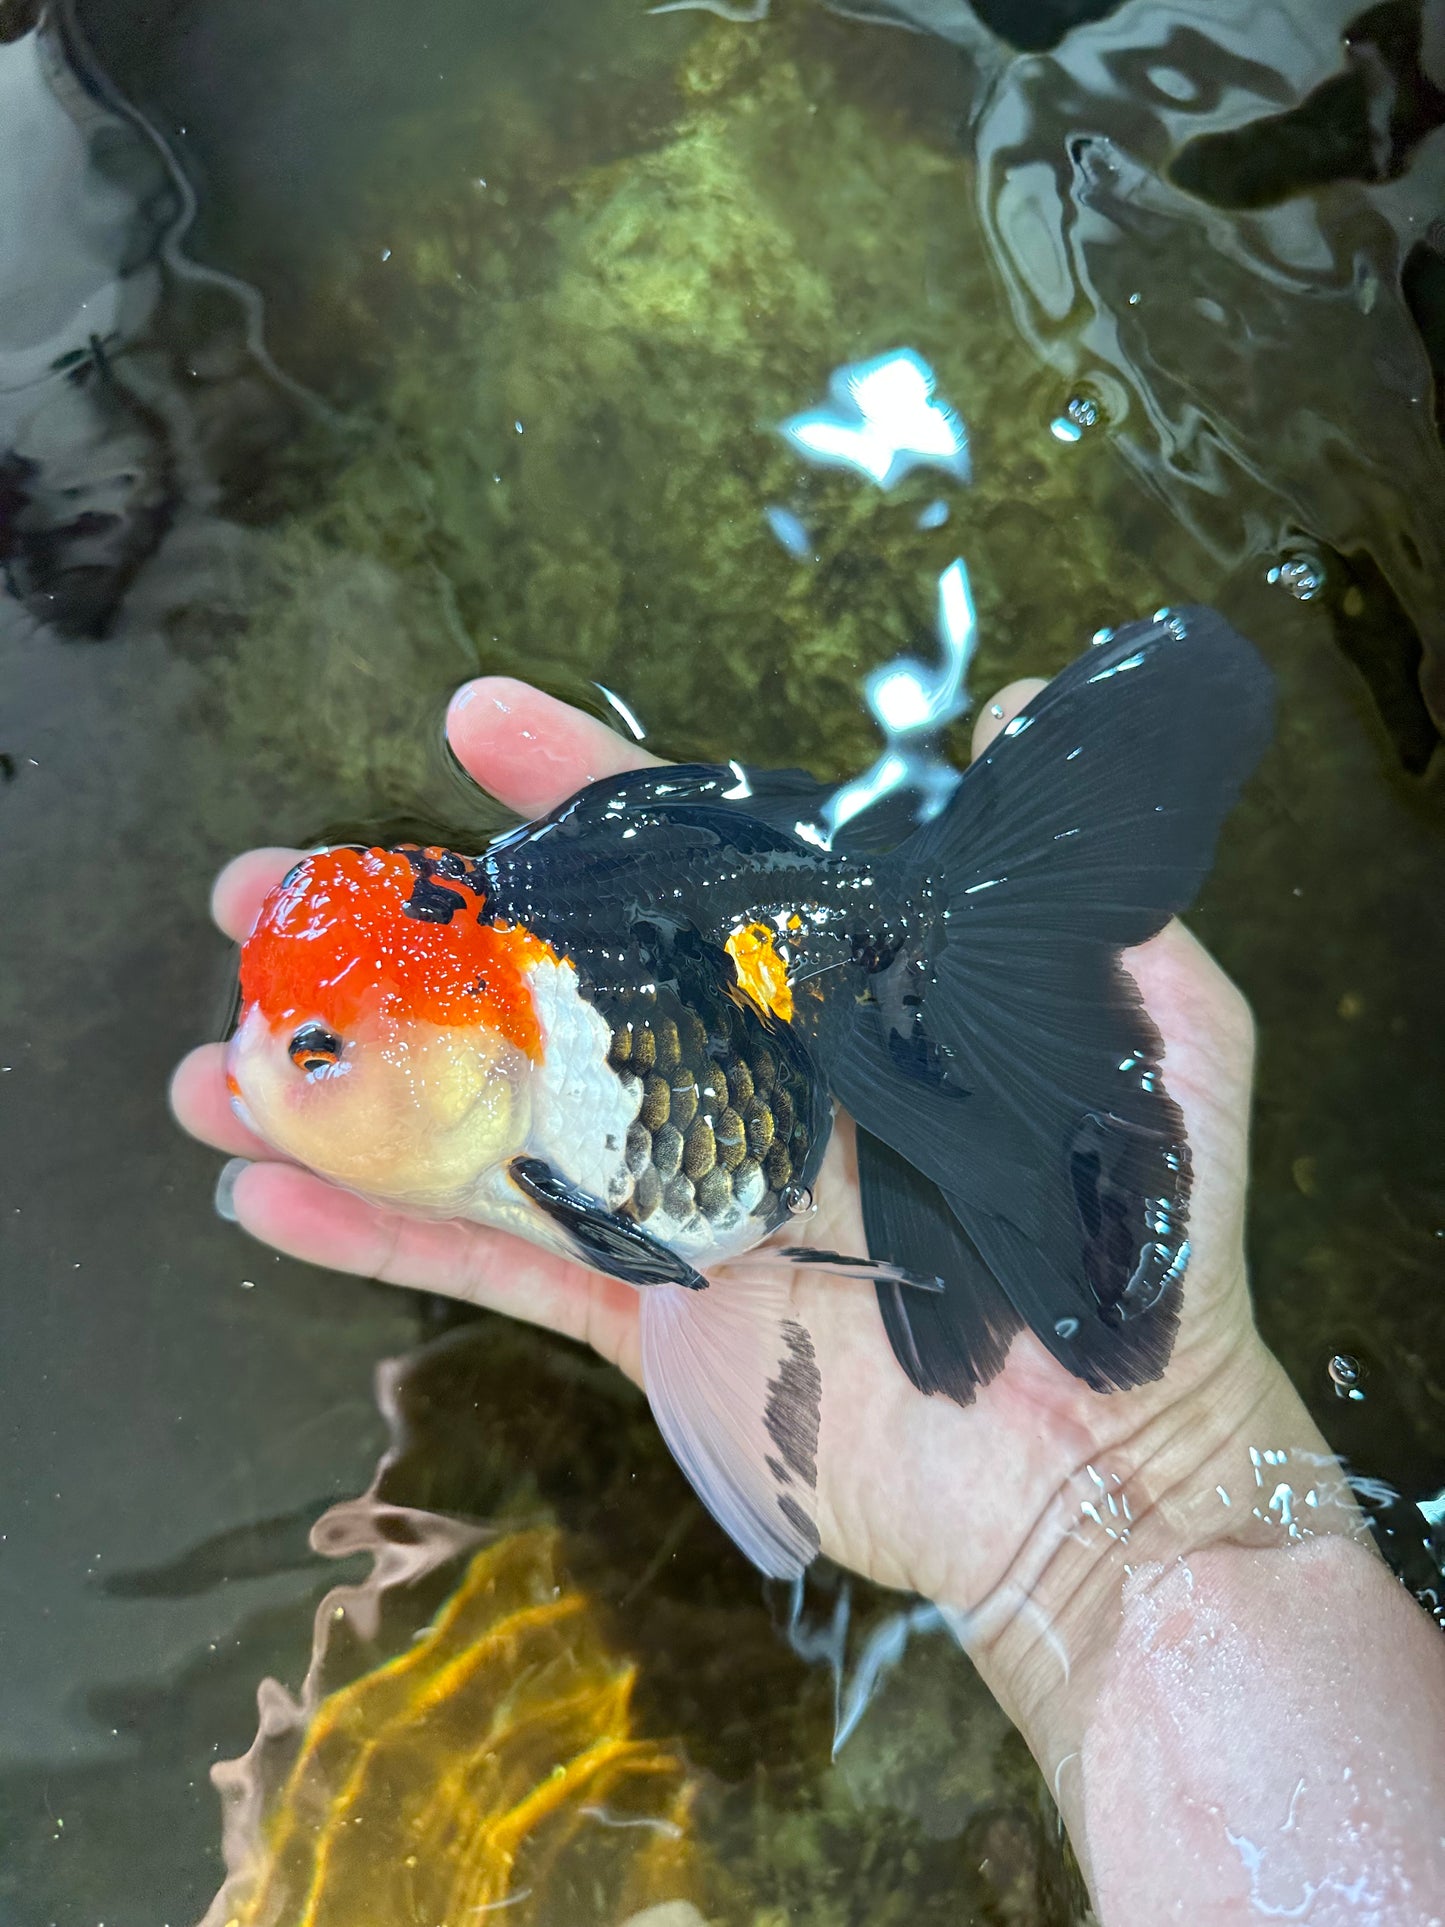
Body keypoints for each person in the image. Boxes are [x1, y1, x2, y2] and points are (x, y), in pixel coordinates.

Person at [171, 671, 1445, 1923]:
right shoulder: (515, 1050)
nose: (255, 1072)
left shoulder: (552, 1094)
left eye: (311, 1050)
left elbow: (683, 1284)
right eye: (279, 1033)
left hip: (784, 1022)